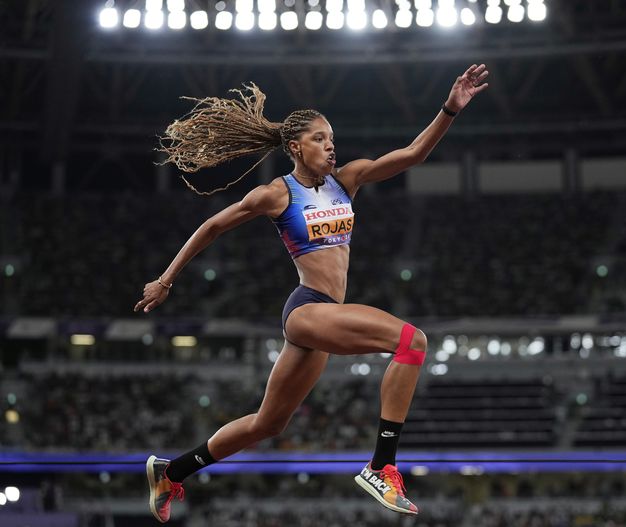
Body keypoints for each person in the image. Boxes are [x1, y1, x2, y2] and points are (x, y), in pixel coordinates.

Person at [135, 63, 489, 523]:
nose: (330, 145)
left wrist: (450, 109)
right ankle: (381, 466)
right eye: (320, 138)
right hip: (307, 309)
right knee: (411, 341)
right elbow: (212, 226)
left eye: (332, 138)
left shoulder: (348, 180)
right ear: (295, 147)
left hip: (324, 317)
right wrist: (165, 280)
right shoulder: (276, 194)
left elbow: (413, 154)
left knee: (268, 423)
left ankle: (171, 471)